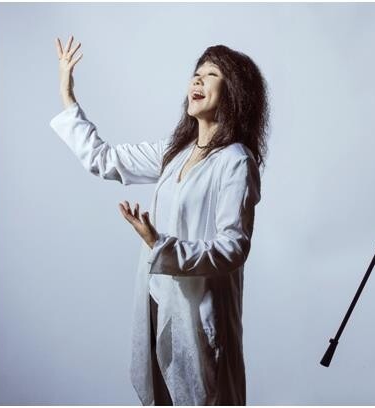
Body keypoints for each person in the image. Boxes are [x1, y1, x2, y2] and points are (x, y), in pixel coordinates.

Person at [49, 35, 269, 406]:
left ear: (233, 92)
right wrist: (67, 95)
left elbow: (233, 248)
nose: (197, 79)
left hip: (199, 316)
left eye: (211, 74)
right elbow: (104, 160)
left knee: (204, 396)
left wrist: (160, 245)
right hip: (159, 304)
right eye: (197, 72)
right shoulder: (176, 152)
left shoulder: (236, 161)